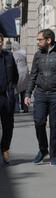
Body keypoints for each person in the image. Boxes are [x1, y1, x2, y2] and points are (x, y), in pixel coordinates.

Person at [25, 29, 56, 167]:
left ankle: (53, 155)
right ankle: (43, 150)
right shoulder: (37, 55)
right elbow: (33, 75)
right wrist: (28, 93)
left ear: (48, 40)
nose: (38, 42)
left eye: (40, 40)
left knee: (55, 126)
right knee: (39, 121)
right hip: (40, 93)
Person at [0, 33, 19, 165]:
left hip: (6, 97)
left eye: (0, 41)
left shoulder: (8, 56)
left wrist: (11, 89)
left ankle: (5, 149)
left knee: (8, 127)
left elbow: (15, 76)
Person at [12, 42, 29, 113]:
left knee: (15, 91)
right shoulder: (24, 53)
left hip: (18, 73)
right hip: (25, 73)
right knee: (24, 91)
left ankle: (16, 108)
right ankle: (25, 107)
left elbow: (13, 65)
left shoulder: (14, 54)